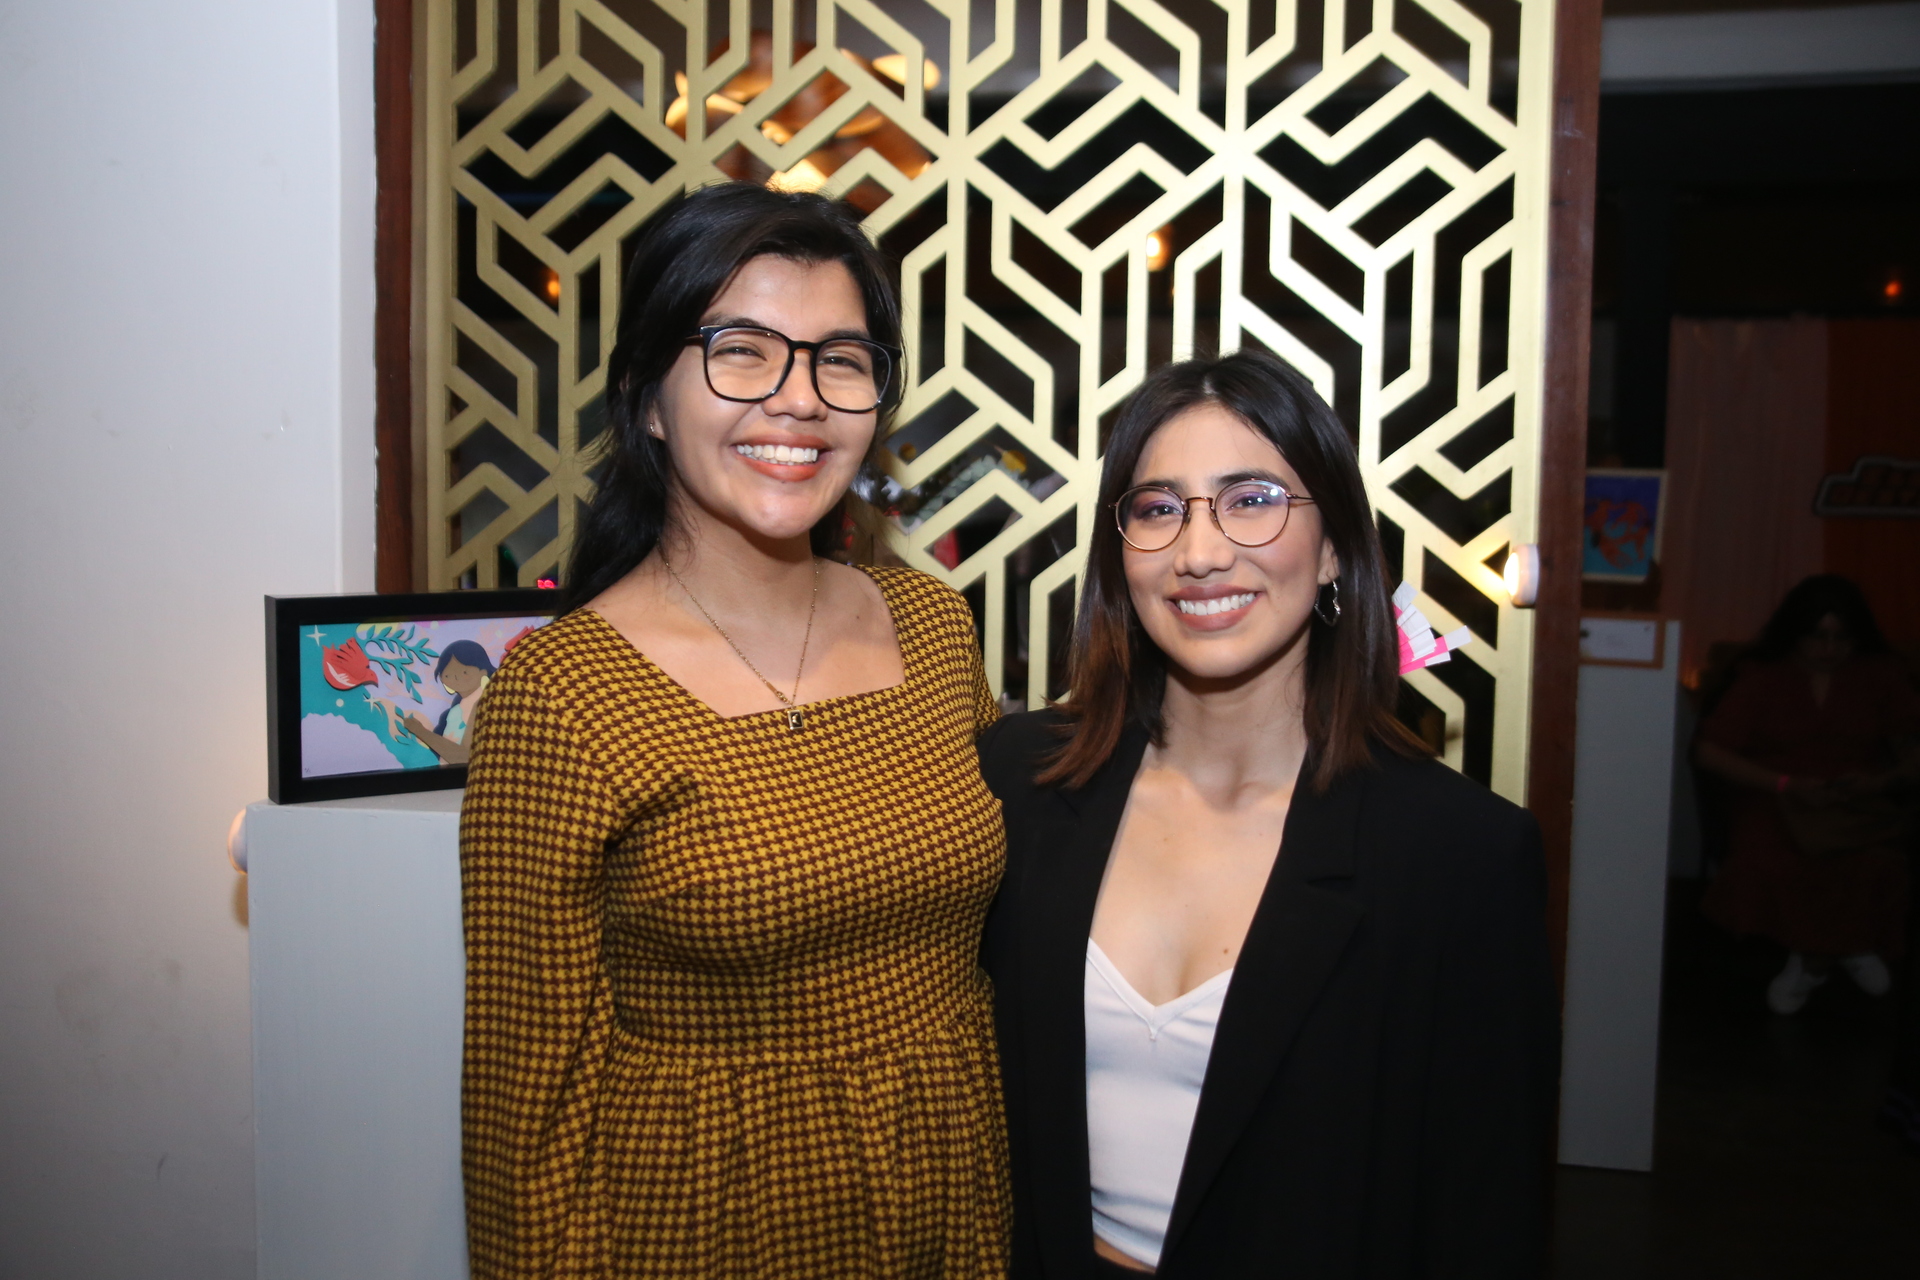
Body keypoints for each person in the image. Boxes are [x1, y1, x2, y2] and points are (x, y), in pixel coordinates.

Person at [459, 183, 1008, 1278]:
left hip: (957, 1199)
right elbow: (527, 1106)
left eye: (840, 359)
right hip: (709, 1222)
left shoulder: (934, 625)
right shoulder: (564, 696)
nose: (797, 400)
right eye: (741, 352)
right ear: (649, 401)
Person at [979, 351, 1559, 1278]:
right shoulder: (1019, 783)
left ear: (1332, 548)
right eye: (1157, 509)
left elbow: (1483, 1208)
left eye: (1252, 500)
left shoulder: (1459, 854)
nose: (1201, 552)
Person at [1695, 574, 1919, 1015]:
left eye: (1842, 638)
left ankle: (1823, 956)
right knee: (1773, 860)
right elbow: (1709, 751)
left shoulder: (1879, 674)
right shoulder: (1764, 677)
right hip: (1774, 794)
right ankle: (1827, 955)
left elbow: (1913, 741)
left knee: (1877, 862)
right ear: (1795, 634)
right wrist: (1786, 784)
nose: (1830, 649)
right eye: (1818, 637)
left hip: (1854, 798)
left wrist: (1881, 782)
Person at [403, 638, 495, 764]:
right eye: (448, 675)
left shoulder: (486, 703)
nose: (456, 678)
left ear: (483, 672)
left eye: (465, 672)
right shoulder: (455, 711)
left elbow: (466, 758)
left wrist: (420, 731)